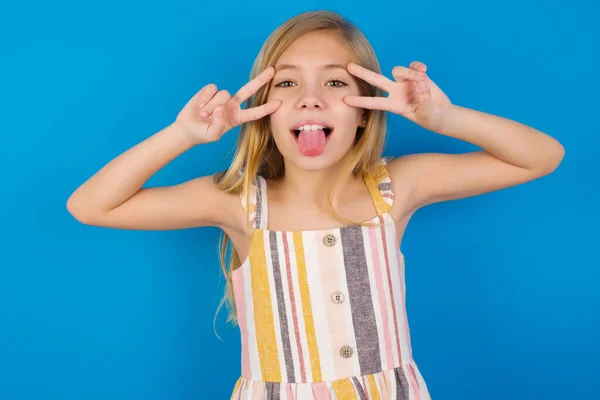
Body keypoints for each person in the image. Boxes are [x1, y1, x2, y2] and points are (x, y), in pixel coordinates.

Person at [66, 9, 564, 400]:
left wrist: (444, 118)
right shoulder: (239, 204)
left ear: (367, 110)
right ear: (263, 112)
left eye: (334, 82)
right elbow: (91, 206)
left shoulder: (397, 187)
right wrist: (182, 135)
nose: (310, 99)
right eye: (287, 82)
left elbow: (542, 157)